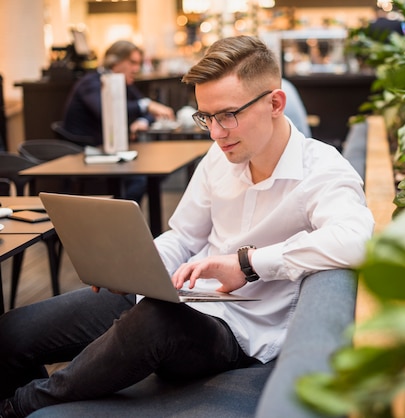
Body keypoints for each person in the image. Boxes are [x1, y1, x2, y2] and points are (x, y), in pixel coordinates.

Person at [0, 35, 374, 418]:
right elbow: (183, 236)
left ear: (275, 103)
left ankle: (19, 407)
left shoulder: (322, 169)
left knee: (156, 321)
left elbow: (355, 240)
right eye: (206, 118)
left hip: (237, 333)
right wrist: (137, 266)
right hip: (178, 295)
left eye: (228, 115)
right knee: (12, 332)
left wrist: (247, 264)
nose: (215, 133)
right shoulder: (219, 155)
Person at [60, 40, 175, 203]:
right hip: (85, 155)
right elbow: (107, 110)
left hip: (111, 152)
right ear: (115, 61)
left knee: (156, 173)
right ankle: (121, 223)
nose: (136, 69)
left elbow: (148, 108)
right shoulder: (91, 82)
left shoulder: (122, 82)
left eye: (139, 64)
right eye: (132, 63)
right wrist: (147, 106)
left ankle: (126, 223)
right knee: (140, 178)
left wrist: (142, 120)